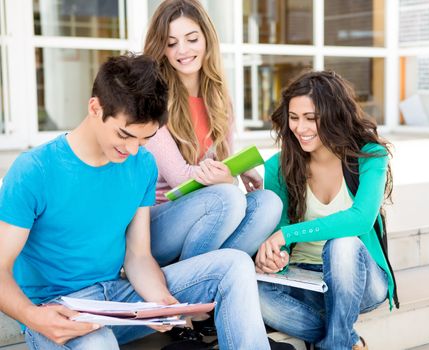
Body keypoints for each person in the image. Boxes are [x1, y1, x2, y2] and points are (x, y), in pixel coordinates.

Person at [0, 54, 274, 350]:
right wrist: (34, 317)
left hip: (117, 299)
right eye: (125, 135)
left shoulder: (142, 164)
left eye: (144, 140)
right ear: (95, 108)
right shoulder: (35, 170)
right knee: (97, 344)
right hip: (57, 310)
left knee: (233, 265)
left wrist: (160, 302)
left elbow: (138, 256)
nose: (132, 150)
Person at [255, 71, 398, 350]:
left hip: (360, 281)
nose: (300, 127)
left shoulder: (370, 156)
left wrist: (287, 234)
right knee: (253, 293)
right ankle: (343, 338)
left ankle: (333, 344)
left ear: (334, 115)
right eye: (294, 118)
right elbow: (279, 232)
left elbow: (361, 219)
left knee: (342, 243)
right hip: (303, 279)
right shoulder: (278, 165)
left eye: (311, 118)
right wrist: (275, 259)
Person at [143, 0, 282, 267]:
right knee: (227, 197)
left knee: (269, 202)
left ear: (206, 38)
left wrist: (237, 169)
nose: (182, 50)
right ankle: (192, 284)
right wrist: (227, 179)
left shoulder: (219, 99)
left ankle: (207, 275)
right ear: (161, 49)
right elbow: (181, 179)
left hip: (205, 215)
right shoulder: (155, 100)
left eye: (191, 39)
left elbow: (220, 165)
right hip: (156, 224)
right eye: (171, 43)